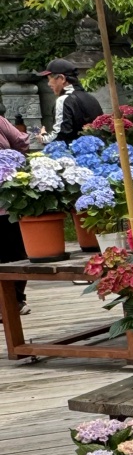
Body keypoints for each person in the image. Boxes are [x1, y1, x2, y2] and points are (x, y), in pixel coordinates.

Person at [0, 114, 29, 315]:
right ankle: (15, 300)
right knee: (14, 252)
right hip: (6, 199)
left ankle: (12, 302)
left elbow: (20, 141)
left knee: (13, 251)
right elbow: (21, 141)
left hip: (6, 199)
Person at [37, 59, 102, 145]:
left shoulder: (63, 100)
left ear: (62, 78)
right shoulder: (90, 98)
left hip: (73, 152)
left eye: (49, 79)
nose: (49, 84)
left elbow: (60, 136)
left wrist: (43, 138)